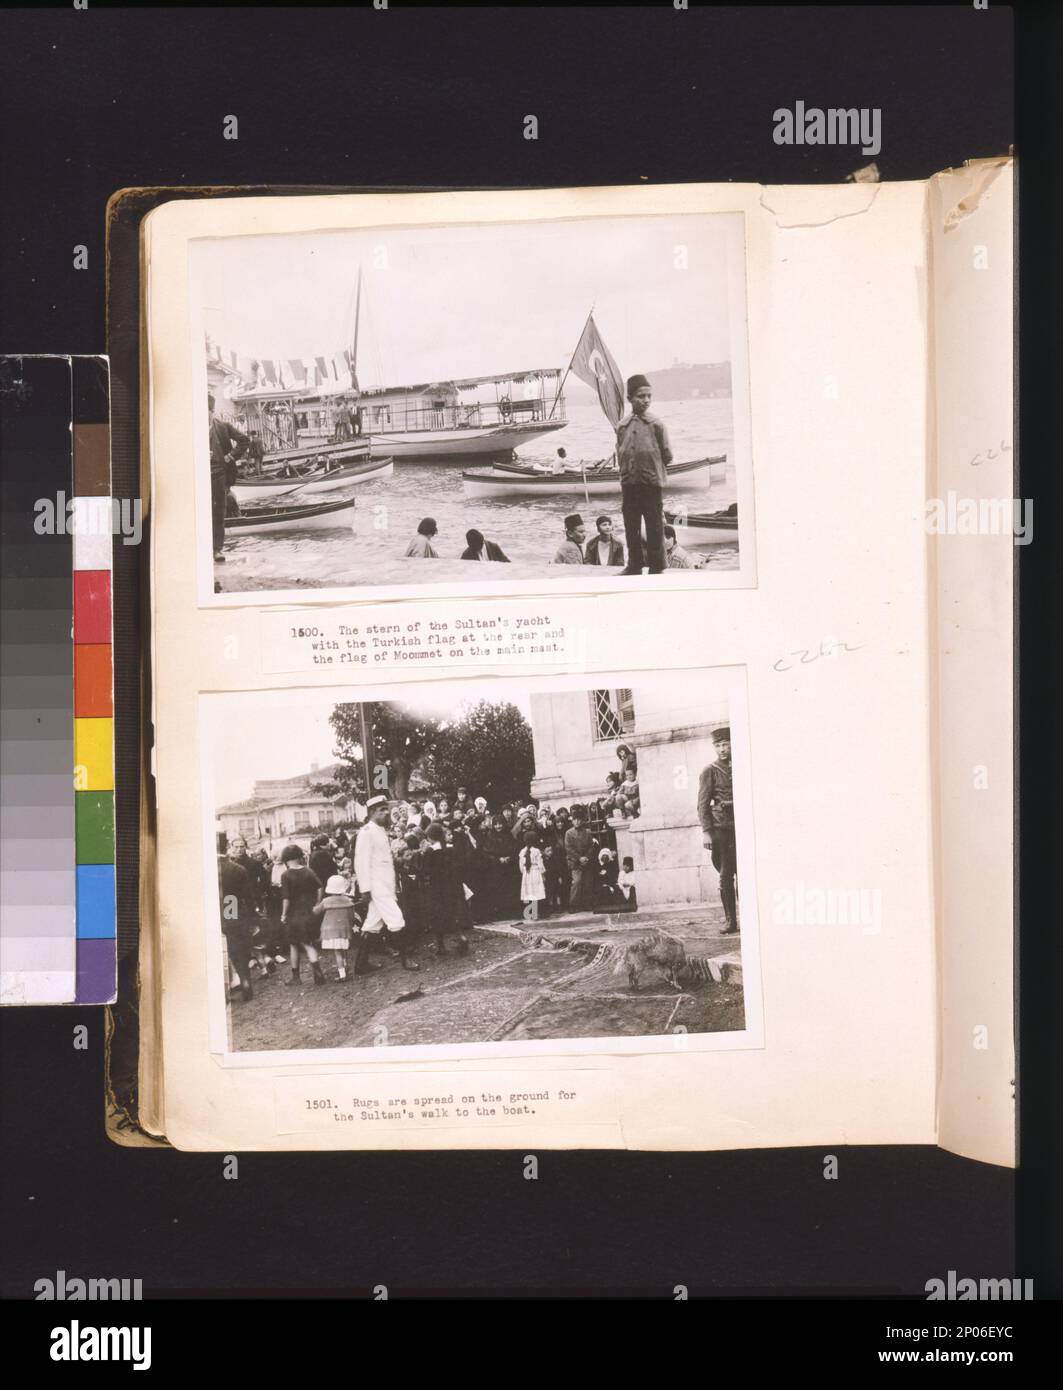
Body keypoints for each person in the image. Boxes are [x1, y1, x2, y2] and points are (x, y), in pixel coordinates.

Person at [353, 795, 420, 970]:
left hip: (385, 885)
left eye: (386, 809)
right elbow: (361, 862)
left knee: (372, 924)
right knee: (396, 919)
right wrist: (365, 889)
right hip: (377, 886)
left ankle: (361, 964)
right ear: (372, 812)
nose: (386, 813)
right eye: (382, 810)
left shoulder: (380, 831)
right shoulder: (366, 832)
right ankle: (406, 960)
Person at [616, 374, 671, 575]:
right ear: (630, 398)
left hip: (651, 483)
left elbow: (667, 454)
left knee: (655, 525)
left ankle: (657, 567)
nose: (646, 400)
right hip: (629, 483)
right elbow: (619, 452)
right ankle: (634, 565)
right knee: (631, 525)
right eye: (641, 396)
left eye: (649, 396)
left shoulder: (657, 424)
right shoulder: (622, 425)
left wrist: (651, 468)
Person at [698, 726, 738, 934]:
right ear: (714, 747)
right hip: (721, 828)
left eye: (726, 744)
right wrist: (707, 831)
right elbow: (702, 804)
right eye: (719, 745)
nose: (723, 749)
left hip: (742, 826)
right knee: (725, 875)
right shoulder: (710, 770)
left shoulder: (742, 765)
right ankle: (730, 921)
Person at [208, 394, 250, 562]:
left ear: (212, 411)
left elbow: (244, 441)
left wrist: (230, 456)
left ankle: (217, 549)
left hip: (219, 475)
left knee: (218, 512)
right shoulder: (191, 429)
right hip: (198, 477)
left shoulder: (223, 427)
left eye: (206, 411)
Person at [419, 823, 470, 956]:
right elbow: (459, 867)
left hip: (438, 889)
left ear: (430, 837)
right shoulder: (451, 848)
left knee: (438, 917)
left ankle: (441, 946)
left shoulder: (431, 852)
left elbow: (426, 871)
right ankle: (461, 937)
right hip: (453, 887)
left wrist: (422, 854)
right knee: (453, 914)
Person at [278, 845, 326, 986]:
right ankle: (317, 972)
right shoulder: (308, 871)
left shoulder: (285, 875)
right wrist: (317, 902)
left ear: (286, 859)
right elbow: (320, 887)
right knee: (307, 942)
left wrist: (283, 914)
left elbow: (286, 898)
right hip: (309, 911)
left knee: (294, 944)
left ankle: (296, 976)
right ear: (299, 856)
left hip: (294, 913)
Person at [218, 847, 255, 1001]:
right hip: (231, 906)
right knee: (238, 946)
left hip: (213, 910)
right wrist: (252, 916)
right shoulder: (237, 869)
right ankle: (244, 978)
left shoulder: (204, 867)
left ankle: (225, 988)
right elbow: (248, 896)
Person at [313, 874, 357, 981]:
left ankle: (342, 975)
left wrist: (313, 905)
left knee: (337, 952)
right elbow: (352, 916)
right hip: (344, 930)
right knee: (344, 950)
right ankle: (346, 967)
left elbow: (316, 911)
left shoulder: (326, 901)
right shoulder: (348, 901)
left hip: (331, 931)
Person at [564, 811, 596, 910]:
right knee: (577, 882)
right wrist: (579, 858)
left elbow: (591, 846)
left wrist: (586, 857)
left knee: (588, 882)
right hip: (575, 862)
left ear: (582, 821)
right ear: (572, 821)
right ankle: (573, 905)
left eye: (579, 820)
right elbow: (568, 848)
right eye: (575, 820)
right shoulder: (568, 833)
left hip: (586, 861)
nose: (577, 822)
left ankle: (587, 904)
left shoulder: (587, 832)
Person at [519, 834, 546, 922]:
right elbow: (540, 864)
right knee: (534, 892)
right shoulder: (537, 851)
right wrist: (542, 874)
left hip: (527, 874)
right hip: (535, 872)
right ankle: (534, 914)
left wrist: (524, 873)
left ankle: (528, 913)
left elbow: (520, 866)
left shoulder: (522, 851)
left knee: (528, 892)